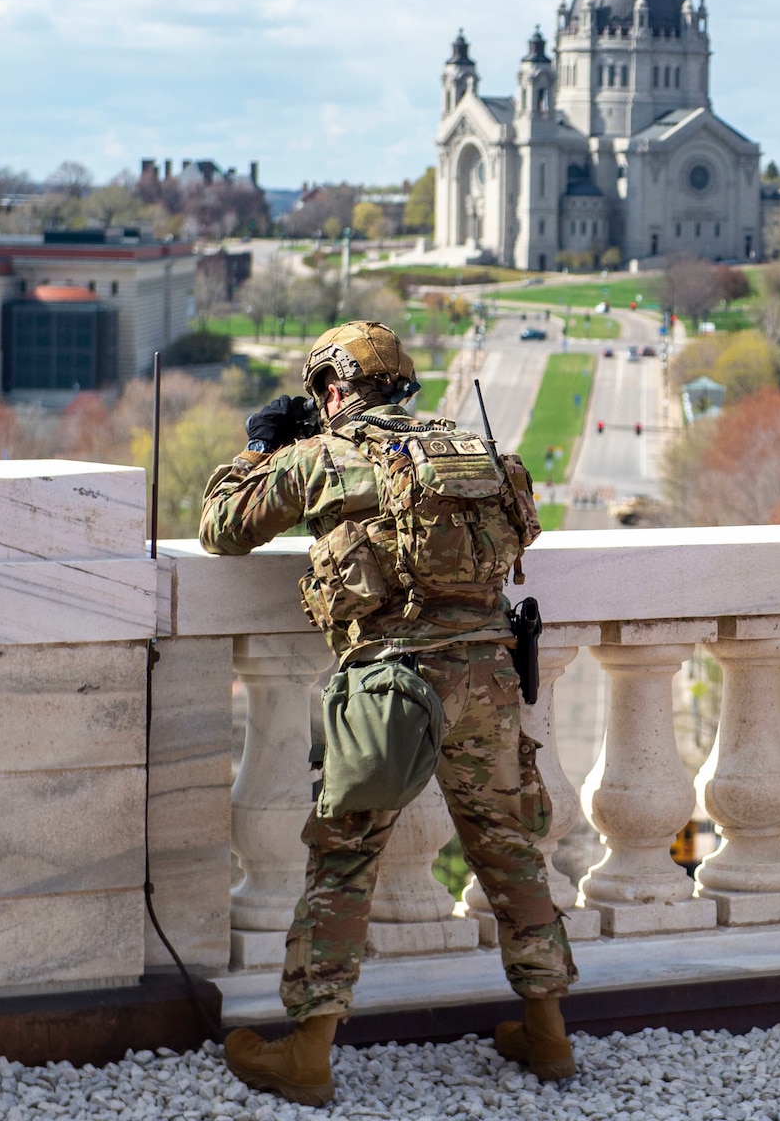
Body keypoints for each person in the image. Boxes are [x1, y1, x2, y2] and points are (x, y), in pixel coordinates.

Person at [200, 321, 576, 1107]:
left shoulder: (323, 456)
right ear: (402, 388)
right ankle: (548, 1036)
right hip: (490, 675)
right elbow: (525, 528)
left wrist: (260, 447)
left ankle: (307, 1052)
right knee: (508, 849)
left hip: (392, 685)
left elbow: (223, 529)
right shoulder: (467, 448)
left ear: (332, 391)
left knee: (344, 859)